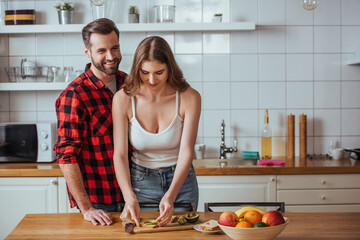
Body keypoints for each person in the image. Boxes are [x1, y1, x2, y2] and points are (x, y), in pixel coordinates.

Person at [112, 36, 201, 227]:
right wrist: (129, 196)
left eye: (159, 72)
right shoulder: (123, 99)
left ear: (170, 68)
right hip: (140, 182)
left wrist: (171, 194)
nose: (151, 79)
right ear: (137, 69)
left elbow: (187, 151)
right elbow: (119, 154)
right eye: (145, 72)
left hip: (181, 182)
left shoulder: (189, 97)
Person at [53, 18, 127, 226]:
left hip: (135, 193)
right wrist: (86, 208)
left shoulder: (129, 84)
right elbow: (66, 156)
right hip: (99, 202)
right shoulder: (75, 95)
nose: (111, 56)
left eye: (115, 48)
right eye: (101, 50)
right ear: (88, 52)